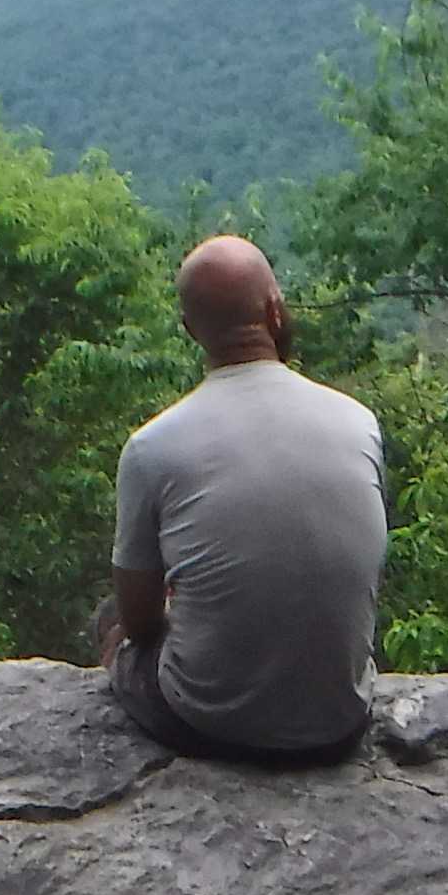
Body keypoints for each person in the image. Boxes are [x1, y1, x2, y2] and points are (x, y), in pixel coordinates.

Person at [97, 236, 387, 762]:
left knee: (109, 623)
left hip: (210, 727)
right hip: (340, 723)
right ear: (276, 310)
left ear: (191, 331)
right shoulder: (358, 421)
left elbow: (139, 624)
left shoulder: (152, 445)